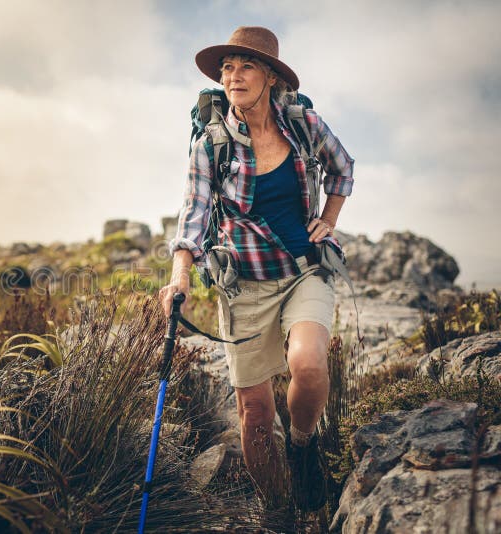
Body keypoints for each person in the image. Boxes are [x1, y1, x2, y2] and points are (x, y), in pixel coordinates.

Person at [158, 26, 354, 512]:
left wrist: (327, 220)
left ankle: (303, 446)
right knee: (255, 414)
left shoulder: (303, 124)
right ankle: (281, 509)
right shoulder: (211, 144)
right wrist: (180, 273)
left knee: (308, 366)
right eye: (227, 68)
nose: (233, 76)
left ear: (270, 76)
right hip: (243, 285)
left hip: (305, 270)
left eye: (246, 66)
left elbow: (343, 168)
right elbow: (194, 213)